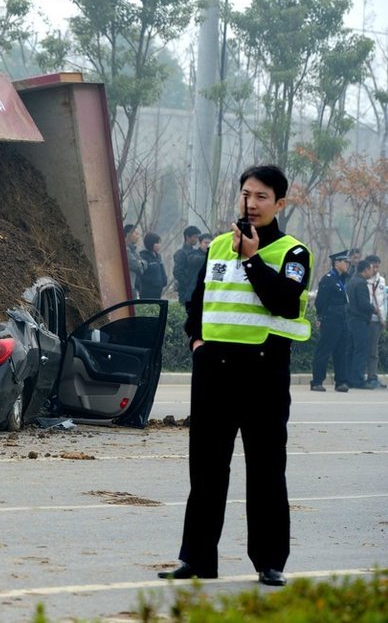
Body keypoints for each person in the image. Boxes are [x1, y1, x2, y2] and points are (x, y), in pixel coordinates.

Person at [158, 165, 312, 588]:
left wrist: (252, 259)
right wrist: (196, 341)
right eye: (246, 194)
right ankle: (197, 559)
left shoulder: (293, 253)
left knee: (265, 469)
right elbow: (197, 301)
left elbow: (283, 301)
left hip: (264, 373)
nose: (252, 203)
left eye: (263, 196)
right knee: (206, 469)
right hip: (215, 374)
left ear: (279, 203)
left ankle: (269, 562)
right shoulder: (219, 247)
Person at [310, 251, 351, 392]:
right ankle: (316, 381)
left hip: (342, 318)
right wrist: (320, 318)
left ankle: (341, 382)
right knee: (324, 350)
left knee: (341, 350)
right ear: (337, 263)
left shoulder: (342, 279)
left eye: (348, 262)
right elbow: (320, 302)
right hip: (330, 318)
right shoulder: (328, 279)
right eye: (345, 262)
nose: (348, 264)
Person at [346, 259, 376, 389]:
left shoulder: (351, 281)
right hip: (360, 320)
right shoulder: (361, 284)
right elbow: (363, 304)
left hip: (351, 320)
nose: (372, 271)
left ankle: (349, 378)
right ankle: (358, 380)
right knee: (361, 351)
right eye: (371, 269)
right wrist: (374, 309)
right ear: (365, 270)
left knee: (351, 350)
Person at [365, 255, 387, 389]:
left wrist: (383, 318)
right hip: (367, 319)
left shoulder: (382, 280)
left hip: (378, 320)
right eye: (374, 266)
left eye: (378, 266)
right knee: (365, 350)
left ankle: (372, 376)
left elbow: (383, 301)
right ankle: (364, 376)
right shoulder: (364, 281)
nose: (376, 269)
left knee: (374, 351)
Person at [173, 225, 203, 307]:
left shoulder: (195, 251)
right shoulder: (181, 253)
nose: (197, 240)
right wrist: (187, 283)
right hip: (185, 290)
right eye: (195, 237)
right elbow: (177, 272)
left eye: (198, 237)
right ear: (187, 237)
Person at [139, 232, 168, 299]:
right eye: (157, 243)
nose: (159, 245)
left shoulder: (158, 256)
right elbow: (141, 274)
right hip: (148, 292)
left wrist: (163, 282)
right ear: (151, 243)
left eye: (159, 243)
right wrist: (152, 283)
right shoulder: (144, 256)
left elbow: (162, 271)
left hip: (158, 291)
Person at [124, 223, 146, 299]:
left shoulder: (133, 250)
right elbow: (137, 266)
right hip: (128, 286)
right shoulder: (125, 250)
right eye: (136, 234)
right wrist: (140, 264)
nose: (138, 237)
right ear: (128, 234)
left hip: (134, 286)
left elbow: (144, 263)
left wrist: (140, 263)